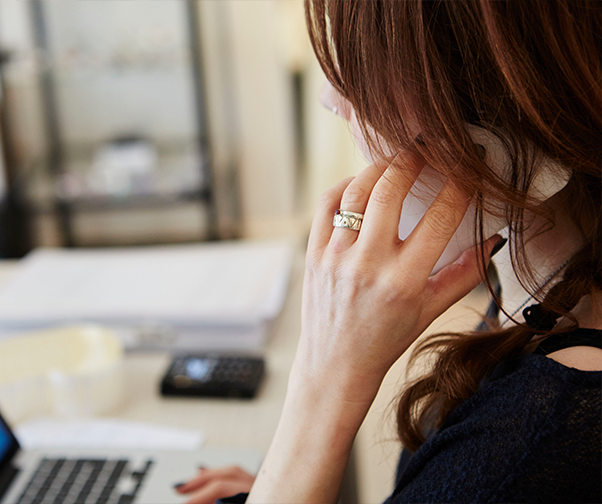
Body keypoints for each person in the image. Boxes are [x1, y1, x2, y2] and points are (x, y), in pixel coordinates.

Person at [175, 1, 602, 502]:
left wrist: (321, 392)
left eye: (365, 71)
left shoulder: (524, 451)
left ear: (495, 139)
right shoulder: (551, 290)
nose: (330, 97)